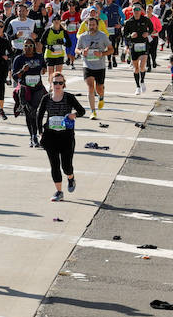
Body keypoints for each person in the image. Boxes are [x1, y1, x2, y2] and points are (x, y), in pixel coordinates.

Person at [35, 74, 85, 202]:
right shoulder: (46, 98)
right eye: (55, 83)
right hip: (50, 136)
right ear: (51, 83)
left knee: (66, 166)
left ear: (64, 84)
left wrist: (74, 115)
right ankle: (59, 191)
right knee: (54, 165)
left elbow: (82, 111)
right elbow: (39, 115)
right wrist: (40, 132)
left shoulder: (69, 97)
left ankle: (71, 178)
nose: (57, 85)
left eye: (60, 83)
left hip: (66, 136)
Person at [75, 16, 112, 118]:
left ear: (97, 25)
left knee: (99, 88)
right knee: (90, 87)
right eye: (90, 25)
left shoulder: (103, 36)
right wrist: (82, 52)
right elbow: (76, 50)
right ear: (87, 25)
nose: (91, 27)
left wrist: (102, 54)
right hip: (87, 65)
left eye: (93, 25)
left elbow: (111, 49)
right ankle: (93, 111)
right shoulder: (83, 36)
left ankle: (101, 96)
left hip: (100, 66)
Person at [11, 39, 46, 147]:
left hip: (38, 88)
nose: (28, 47)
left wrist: (44, 69)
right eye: (26, 45)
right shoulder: (19, 59)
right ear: (23, 47)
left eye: (31, 45)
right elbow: (14, 76)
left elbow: (44, 67)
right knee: (28, 113)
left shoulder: (39, 57)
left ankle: (36, 135)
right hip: (25, 89)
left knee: (35, 112)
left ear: (34, 46)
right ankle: (32, 136)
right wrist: (22, 71)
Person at [121, 0, 155, 91]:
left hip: (144, 45)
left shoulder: (146, 19)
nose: (136, 11)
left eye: (138, 9)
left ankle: (142, 81)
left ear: (141, 11)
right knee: (136, 68)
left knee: (142, 66)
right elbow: (125, 35)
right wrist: (130, 36)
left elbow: (151, 28)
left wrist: (147, 33)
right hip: (134, 46)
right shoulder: (128, 22)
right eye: (135, 9)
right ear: (132, 11)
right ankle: (137, 86)